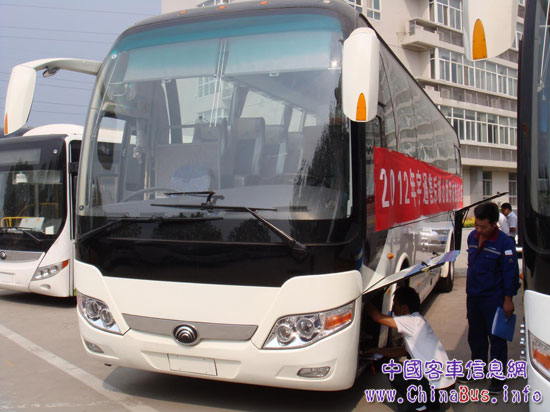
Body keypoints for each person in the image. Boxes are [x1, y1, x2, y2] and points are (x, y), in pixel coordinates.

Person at [460, 202, 519, 395]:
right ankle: (478, 370)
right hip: (474, 297)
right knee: (476, 336)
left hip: (494, 298)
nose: (479, 229)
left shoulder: (505, 243)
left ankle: (497, 377)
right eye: (477, 225)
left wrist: (508, 300)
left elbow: (510, 274)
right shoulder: (472, 237)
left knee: (497, 338)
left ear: (495, 224)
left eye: (483, 226)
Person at [366, 286, 455, 412]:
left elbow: (377, 317)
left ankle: (419, 407)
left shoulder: (411, 321)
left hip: (435, 389)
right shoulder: (419, 322)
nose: (393, 308)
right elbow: (402, 351)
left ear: (405, 307)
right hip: (446, 388)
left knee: (392, 367)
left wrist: (363, 299)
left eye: (395, 304)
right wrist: (375, 350)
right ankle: (430, 405)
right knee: (408, 363)